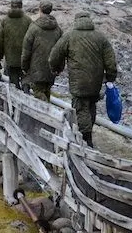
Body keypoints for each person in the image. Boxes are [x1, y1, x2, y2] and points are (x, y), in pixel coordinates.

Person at [49, 11, 117, 147]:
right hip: (96, 81)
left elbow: (54, 56)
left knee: (81, 108)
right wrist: (110, 77)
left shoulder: (69, 36)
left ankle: (86, 140)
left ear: (76, 21)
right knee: (91, 105)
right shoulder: (100, 37)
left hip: (78, 81)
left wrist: (55, 69)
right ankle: (88, 133)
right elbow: (111, 62)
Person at [21, 2, 62, 101]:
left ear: (40, 10)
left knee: (38, 91)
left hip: (36, 68)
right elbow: (61, 51)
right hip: (51, 68)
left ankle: (45, 109)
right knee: (47, 90)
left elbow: (26, 50)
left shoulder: (34, 28)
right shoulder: (58, 29)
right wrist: (59, 68)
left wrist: (24, 66)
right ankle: (47, 107)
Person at [0, 0, 33, 88]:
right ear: (21, 6)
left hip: (10, 56)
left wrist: (0, 55)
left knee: (13, 79)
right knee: (25, 76)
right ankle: (26, 89)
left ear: (11, 6)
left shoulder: (4, 21)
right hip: (25, 56)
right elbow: (33, 38)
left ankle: (16, 91)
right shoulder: (28, 20)